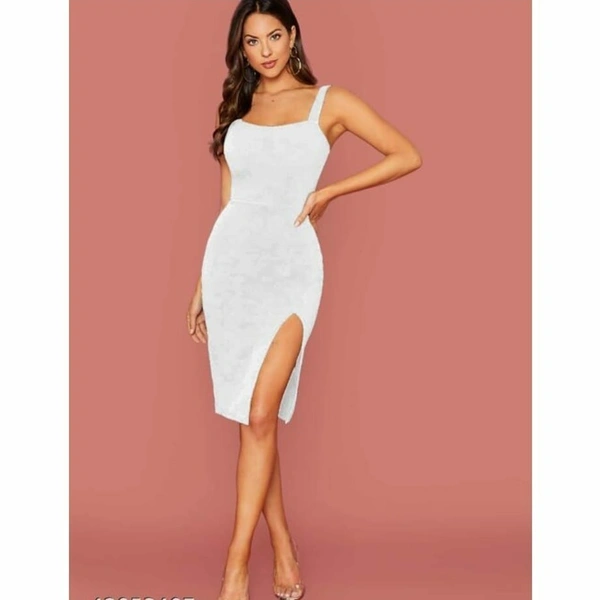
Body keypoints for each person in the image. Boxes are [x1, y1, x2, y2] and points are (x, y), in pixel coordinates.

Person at [186, 1, 422, 598]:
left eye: (273, 36)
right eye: (251, 42)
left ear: (292, 36)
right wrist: (202, 285)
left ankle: (234, 567)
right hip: (232, 269)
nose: (264, 51)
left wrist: (330, 193)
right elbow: (229, 203)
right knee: (256, 419)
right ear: (241, 50)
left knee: (260, 412)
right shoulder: (239, 110)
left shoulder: (328, 102)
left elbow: (406, 154)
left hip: (292, 268)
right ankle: (283, 545)